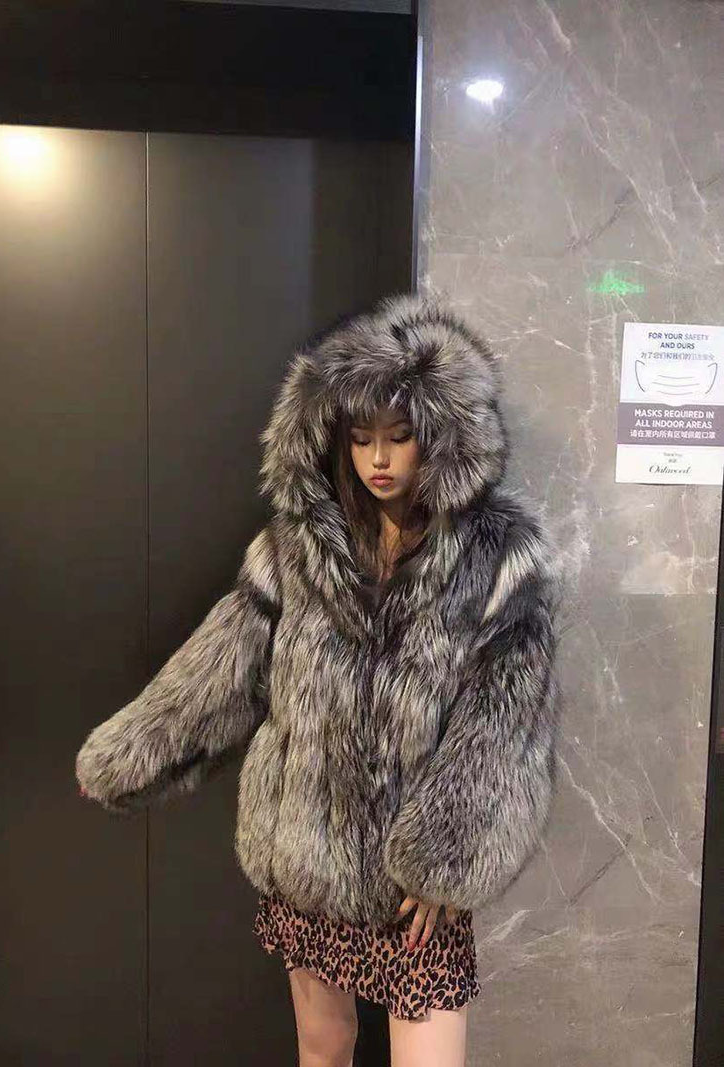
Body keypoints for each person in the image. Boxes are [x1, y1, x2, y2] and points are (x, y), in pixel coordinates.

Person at [75, 289, 563, 1067]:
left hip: (416, 882)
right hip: (310, 850)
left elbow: (506, 720)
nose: (378, 460)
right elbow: (220, 665)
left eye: (399, 437)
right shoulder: (295, 549)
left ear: (441, 437)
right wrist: (130, 751)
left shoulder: (498, 558)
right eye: (361, 439)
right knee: (324, 1049)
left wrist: (448, 857)